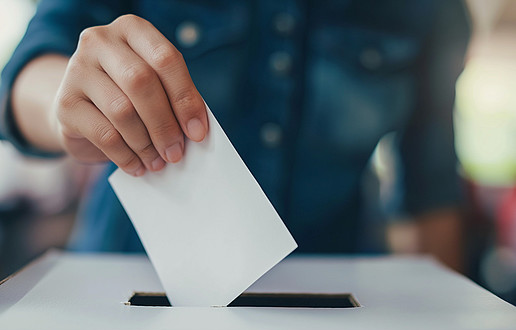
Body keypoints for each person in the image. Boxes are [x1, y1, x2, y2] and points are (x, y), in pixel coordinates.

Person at [0, 0, 470, 271]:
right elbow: (23, 78)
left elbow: (430, 192)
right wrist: (66, 104)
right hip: (126, 289)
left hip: (330, 306)